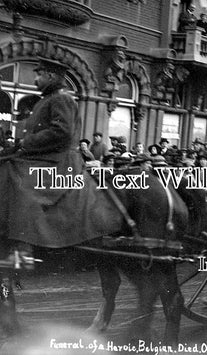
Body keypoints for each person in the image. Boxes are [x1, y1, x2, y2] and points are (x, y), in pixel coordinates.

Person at [0, 58, 122, 254]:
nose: (36, 80)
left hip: (60, 161)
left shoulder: (61, 98)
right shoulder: (48, 100)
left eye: (39, 75)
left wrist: (26, 143)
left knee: (16, 179)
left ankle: (23, 243)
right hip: (47, 158)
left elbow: (62, 132)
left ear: (50, 76)